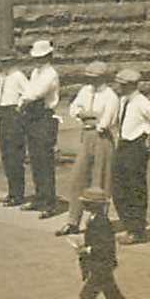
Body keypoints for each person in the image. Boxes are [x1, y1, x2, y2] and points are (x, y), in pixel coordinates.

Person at [63, 188, 143, 299]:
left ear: (92, 205)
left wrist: (87, 249)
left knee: (85, 296)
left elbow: (105, 246)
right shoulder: (96, 219)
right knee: (115, 295)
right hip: (101, 266)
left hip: (101, 266)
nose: (84, 205)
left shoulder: (101, 222)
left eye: (86, 203)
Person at [57, 61, 119, 236]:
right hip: (86, 137)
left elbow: (105, 123)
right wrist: (88, 115)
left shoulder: (111, 96)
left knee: (100, 181)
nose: (91, 81)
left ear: (103, 78)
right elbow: (73, 110)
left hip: (102, 139)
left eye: (95, 78)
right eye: (89, 78)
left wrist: (87, 115)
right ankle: (72, 221)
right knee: (78, 178)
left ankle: (99, 223)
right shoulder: (85, 91)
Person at [110, 68, 150, 245]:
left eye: (119, 83)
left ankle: (137, 230)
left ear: (127, 85)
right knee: (119, 187)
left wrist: (146, 133)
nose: (116, 86)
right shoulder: (124, 100)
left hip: (135, 147)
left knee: (135, 188)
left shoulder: (142, 102)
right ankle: (128, 225)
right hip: (123, 145)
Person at [19, 38, 62, 215]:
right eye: (37, 57)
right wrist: (24, 99)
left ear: (49, 56)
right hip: (33, 115)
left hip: (44, 115)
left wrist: (23, 99)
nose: (39, 60)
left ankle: (49, 202)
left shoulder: (50, 74)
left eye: (42, 57)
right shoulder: (36, 72)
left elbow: (35, 94)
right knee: (35, 159)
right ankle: (40, 196)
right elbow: (27, 91)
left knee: (45, 160)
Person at [0, 48, 31, 207]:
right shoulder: (4, 76)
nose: (3, 64)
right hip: (3, 112)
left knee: (15, 154)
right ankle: (11, 191)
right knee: (6, 154)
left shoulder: (18, 76)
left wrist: (20, 107)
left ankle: (18, 194)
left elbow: (29, 93)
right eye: (2, 61)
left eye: (7, 61)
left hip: (13, 114)